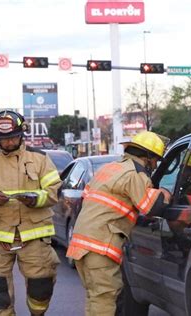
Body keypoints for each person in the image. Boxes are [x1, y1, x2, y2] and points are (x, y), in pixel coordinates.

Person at [0, 110, 62, 315]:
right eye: (3, 139)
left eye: (12, 138)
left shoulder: (40, 159)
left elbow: (54, 191)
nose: (8, 143)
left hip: (35, 234)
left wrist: (35, 199)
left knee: (41, 289)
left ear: (21, 134)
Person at [66, 131, 171, 316]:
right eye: (155, 160)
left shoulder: (109, 168)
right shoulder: (135, 174)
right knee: (104, 299)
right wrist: (164, 194)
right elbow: (151, 207)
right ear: (147, 157)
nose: (155, 165)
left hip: (81, 245)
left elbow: (87, 198)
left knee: (95, 298)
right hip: (99, 247)